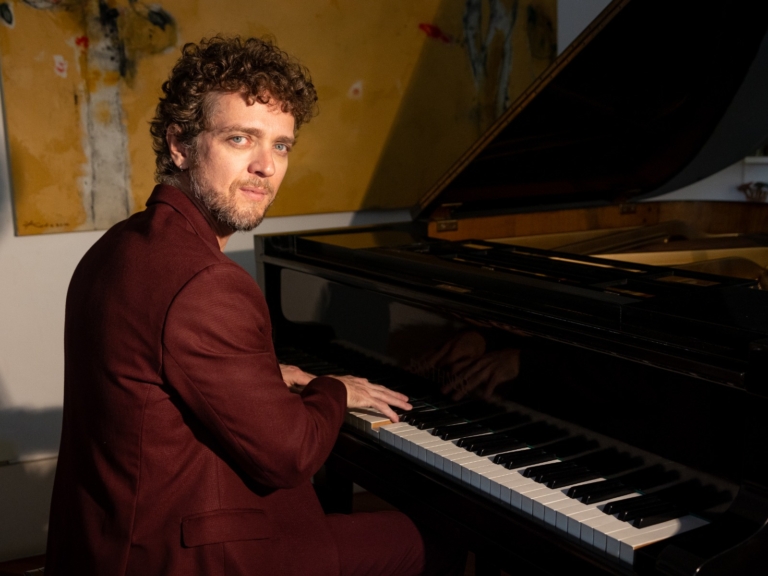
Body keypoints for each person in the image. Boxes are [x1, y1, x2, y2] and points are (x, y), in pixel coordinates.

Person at [46, 36, 464, 576]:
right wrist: (334, 389)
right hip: (187, 557)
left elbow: (162, 376)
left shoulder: (120, 245)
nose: (266, 167)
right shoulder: (207, 283)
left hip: (111, 541)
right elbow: (291, 456)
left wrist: (264, 376)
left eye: (281, 145)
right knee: (430, 539)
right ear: (180, 144)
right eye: (240, 138)